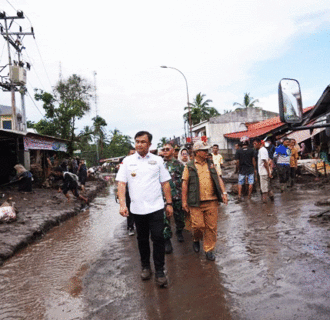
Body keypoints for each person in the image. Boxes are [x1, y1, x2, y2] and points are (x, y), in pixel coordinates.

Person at [116, 131, 173, 288]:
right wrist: (122, 205)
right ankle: (146, 267)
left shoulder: (158, 160)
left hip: (156, 207)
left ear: (149, 144)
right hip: (137, 209)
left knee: (158, 238)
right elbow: (121, 184)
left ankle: (160, 271)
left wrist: (169, 204)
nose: (139, 144)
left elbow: (165, 183)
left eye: (143, 142)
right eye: (137, 141)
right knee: (142, 240)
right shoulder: (127, 161)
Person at [182, 141, 228, 261]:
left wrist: (224, 193)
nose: (207, 152)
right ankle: (196, 239)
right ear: (197, 152)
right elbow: (185, 183)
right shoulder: (189, 166)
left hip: (211, 200)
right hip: (195, 202)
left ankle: (209, 249)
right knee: (198, 226)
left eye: (207, 150)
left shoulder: (211, 164)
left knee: (211, 227)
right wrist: (184, 201)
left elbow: (218, 178)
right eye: (204, 150)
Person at [162, 143, 185, 254]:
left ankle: (179, 231)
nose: (165, 151)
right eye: (163, 149)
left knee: (180, 218)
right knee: (165, 220)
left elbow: (184, 181)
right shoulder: (159, 164)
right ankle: (167, 240)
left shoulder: (179, 165)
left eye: (167, 149)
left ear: (173, 151)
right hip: (164, 198)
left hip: (177, 196)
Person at [253, 138, 274, 203]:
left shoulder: (262, 150)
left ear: (259, 143)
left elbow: (265, 162)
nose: (254, 145)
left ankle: (265, 205)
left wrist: (269, 173)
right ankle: (272, 201)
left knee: (264, 190)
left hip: (264, 173)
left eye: (255, 144)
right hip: (264, 172)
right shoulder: (262, 150)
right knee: (268, 188)